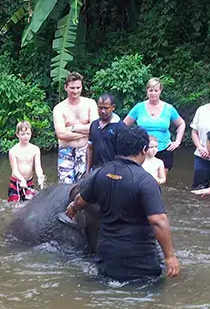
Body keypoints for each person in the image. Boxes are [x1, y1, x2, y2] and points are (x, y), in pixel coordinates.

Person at [65, 125, 180, 282]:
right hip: (140, 263)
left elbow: (80, 200)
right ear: (144, 150)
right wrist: (170, 256)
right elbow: (158, 221)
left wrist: (72, 208)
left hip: (106, 259)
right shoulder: (146, 181)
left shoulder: (100, 173)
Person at [123, 77, 186, 171]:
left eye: (156, 90)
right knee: (141, 181)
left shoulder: (169, 108)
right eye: (150, 90)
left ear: (160, 91)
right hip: (143, 150)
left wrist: (177, 141)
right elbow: (124, 125)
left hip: (164, 149)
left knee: (160, 181)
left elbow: (181, 123)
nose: (153, 93)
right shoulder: (139, 108)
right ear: (147, 91)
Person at [52, 72, 98, 184]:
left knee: (84, 184)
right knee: (64, 185)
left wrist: (73, 128)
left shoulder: (90, 104)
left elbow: (95, 127)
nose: (75, 91)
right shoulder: (59, 108)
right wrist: (86, 132)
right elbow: (61, 134)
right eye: (72, 88)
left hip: (85, 149)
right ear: (66, 87)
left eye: (78, 87)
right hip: (66, 151)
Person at [7, 121, 45, 202]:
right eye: (22, 134)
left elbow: (38, 167)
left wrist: (40, 177)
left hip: (29, 182)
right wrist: (22, 179)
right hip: (16, 182)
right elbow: (15, 170)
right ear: (17, 134)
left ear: (31, 133)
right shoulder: (13, 151)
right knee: (14, 206)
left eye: (28, 134)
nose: (25, 137)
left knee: (29, 205)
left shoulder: (35, 149)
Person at [87, 93, 121, 171]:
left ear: (113, 108)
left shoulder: (120, 127)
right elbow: (90, 148)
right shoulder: (94, 125)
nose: (102, 111)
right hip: (96, 170)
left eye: (106, 108)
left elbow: (123, 153)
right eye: (100, 108)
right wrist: (87, 171)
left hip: (114, 171)